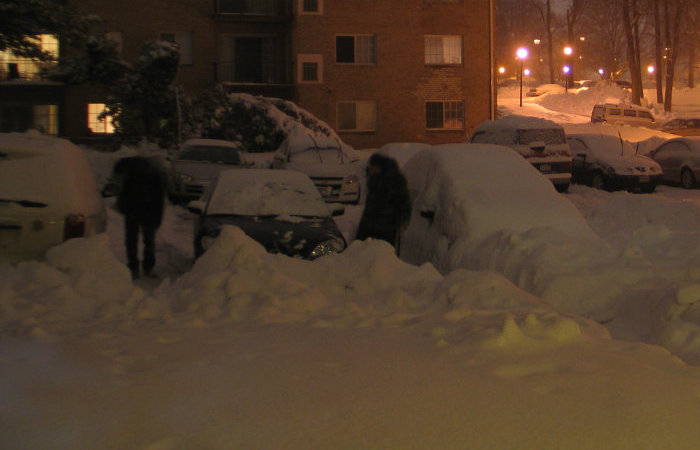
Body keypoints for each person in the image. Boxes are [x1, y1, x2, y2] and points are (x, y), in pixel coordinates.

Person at [107, 156, 167, 279]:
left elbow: (124, 192)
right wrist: (157, 219)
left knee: (132, 239)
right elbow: (159, 200)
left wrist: (123, 206)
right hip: (146, 210)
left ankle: (134, 267)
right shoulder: (156, 176)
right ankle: (147, 267)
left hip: (134, 210)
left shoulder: (132, 171)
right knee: (148, 240)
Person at [356, 153, 412, 251]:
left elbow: (404, 202)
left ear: (380, 167)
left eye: (373, 167)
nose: (371, 169)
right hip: (370, 223)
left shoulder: (394, 181)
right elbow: (370, 203)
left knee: (384, 252)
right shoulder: (373, 179)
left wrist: (401, 220)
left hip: (387, 226)